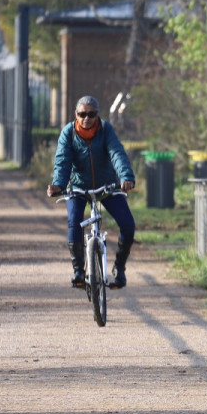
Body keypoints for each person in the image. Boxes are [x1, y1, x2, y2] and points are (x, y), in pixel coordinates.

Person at [47, 96, 136, 289]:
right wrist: (58, 185)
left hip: (107, 186)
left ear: (97, 115)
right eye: (82, 114)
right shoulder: (68, 133)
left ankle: (119, 269)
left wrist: (125, 177)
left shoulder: (106, 130)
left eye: (91, 114)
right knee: (74, 222)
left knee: (128, 225)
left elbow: (116, 153)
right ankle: (78, 270)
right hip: (78, 188)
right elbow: (63, 161)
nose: (86, 118)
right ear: (76, 115)